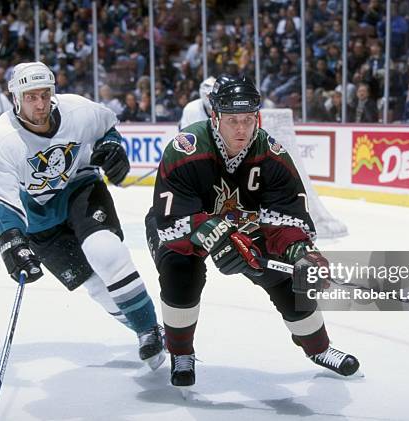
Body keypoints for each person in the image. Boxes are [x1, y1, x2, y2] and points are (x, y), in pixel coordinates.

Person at [145, 74, 360, 388]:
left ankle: (319, 348)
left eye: (248, 119)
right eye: (233, 120)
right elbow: (171, 220)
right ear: (215, 118)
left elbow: (287, 219)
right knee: (181, 271)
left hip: (245, 229)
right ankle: (181, 353)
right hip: (183, 230)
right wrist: (218, 235)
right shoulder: (186, 149)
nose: (242, 129)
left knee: (286, 279)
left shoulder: (272, 155)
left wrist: (301, 252)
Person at [0, 62, 165, 369]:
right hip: (37, 215)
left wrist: (112, 146)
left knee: (104, 251)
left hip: (80, 186)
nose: (40, 104)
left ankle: (149, 328)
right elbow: (0, 196)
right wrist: (11, 238)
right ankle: (142, 327)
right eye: (31, 97)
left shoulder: (77, 110)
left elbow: (107, 128)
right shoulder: (0, 138)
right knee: (92, 284)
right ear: (16, 99)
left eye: (44, 94)